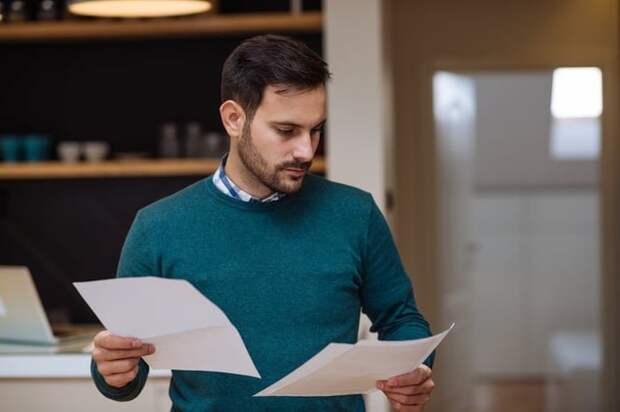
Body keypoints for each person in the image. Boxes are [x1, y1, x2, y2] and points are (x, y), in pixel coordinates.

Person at [90, 34, 435, 412]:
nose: (306, 150)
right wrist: (112, 369)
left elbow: (402, 318)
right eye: (286, 131)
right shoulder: (157, 228)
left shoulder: (355, 214)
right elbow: (125, 366)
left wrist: (413, 370)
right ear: (234, 119)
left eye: (316, 129)